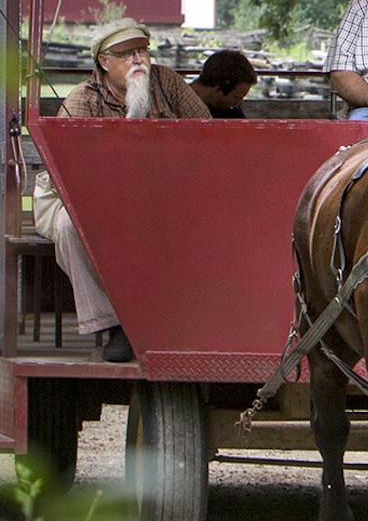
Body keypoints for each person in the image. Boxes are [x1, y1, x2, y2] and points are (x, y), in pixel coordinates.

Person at [41, 19, 210, 362]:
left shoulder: (167, 83)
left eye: (142, 51)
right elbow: (65, 173)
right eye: (126, 54)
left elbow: (207, 132)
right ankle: (115, 323)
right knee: (69, 226)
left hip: (162, 193)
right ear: (104, 62)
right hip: (88, 198)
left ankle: (195, 320)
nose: (138, 61)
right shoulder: (81, 101)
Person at [190, 48, 257, 118]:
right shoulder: (180, 106)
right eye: (236, 97)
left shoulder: (230, 110)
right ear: (218, 87)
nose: (239, 103)